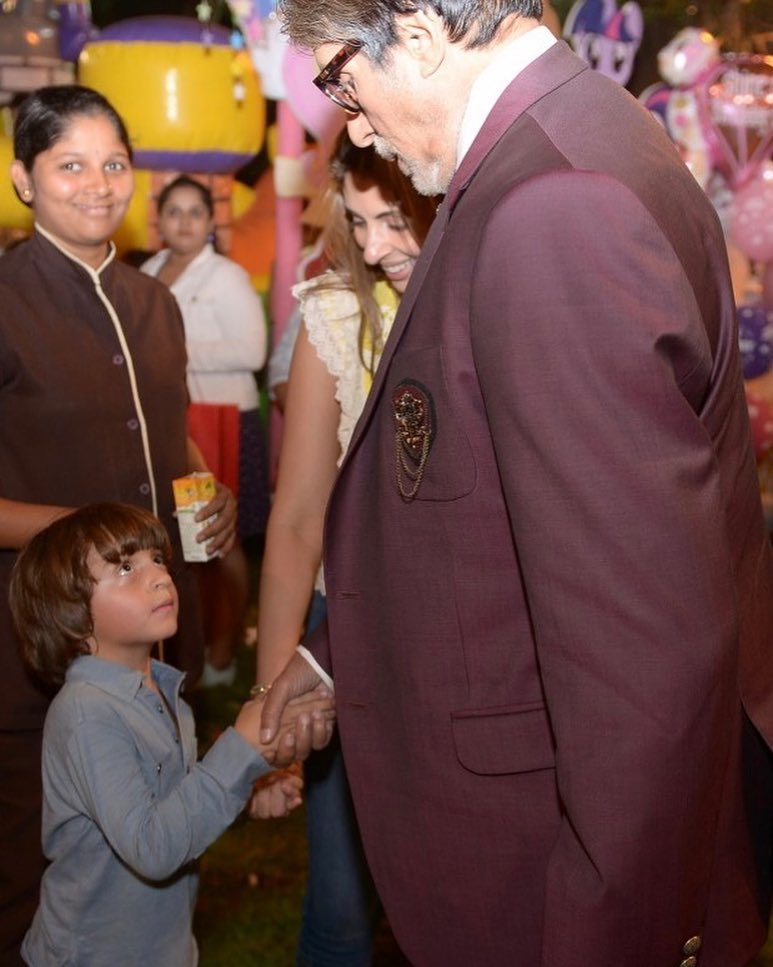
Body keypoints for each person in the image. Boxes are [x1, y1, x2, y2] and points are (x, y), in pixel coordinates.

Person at [258, 2, 773, 965]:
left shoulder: (549, 207)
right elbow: (495, 510)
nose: (352, 123)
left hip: (549, 872)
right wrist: (334, 649)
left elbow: (639, 657)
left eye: (339, 80)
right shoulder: (587, 134)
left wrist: (607, 935)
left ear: (414, 34)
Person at [0, 84, 237, 963]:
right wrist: (84, 534)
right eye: (70, 165)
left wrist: (206, 495)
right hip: (38, 649)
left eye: (114, 164)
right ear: (24, 179)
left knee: (155, 876)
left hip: (151, 641)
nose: (98, 185)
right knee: (35, 888)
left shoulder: (153, 303)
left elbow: (170, 452)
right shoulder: (6, 298)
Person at [254, 130, 437, 965]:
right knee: (338, 900)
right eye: (357, 222)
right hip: (346, 637)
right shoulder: (332, 312)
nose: (372, 246)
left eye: (393, 219)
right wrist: (271, 703)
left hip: (466, 641)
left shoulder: (490, 299)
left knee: (469, 896)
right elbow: (295, 521)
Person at [8, 502, 334, 967]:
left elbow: (174, 809)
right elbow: (154, 847)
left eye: (156, 560)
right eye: (125, 568)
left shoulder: (166, 694)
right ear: (72, 617)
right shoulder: (86, 714)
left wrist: (246, 795)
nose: (159, 577)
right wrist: (238, 750)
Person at [142, 175, 270, 687]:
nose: (185, 222)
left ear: (210, 221)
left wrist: (173, 356)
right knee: (183, 540)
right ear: (160, 220)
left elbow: (253, 353)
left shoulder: (228, 277)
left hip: (222, 417)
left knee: (224, 536)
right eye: (175, 212)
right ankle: (189, 643)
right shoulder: (148, 271)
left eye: (196, 212)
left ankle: (224, 648)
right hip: (175, 418)